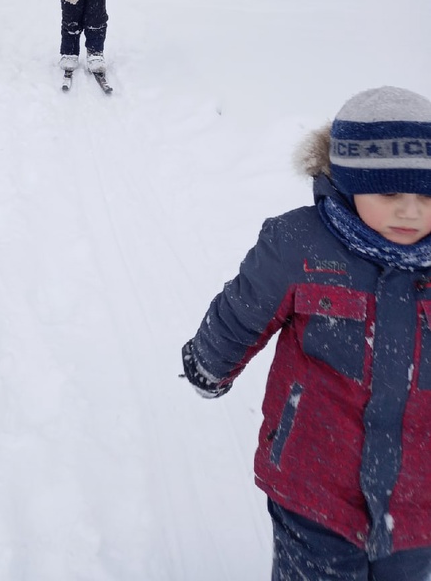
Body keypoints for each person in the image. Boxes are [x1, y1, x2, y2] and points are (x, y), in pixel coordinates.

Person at [181, 86, 431, 581]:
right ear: (348, 181)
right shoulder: (299, 243)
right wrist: (210, 362)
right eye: (389, 194)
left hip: (419, 500)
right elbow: (245, 308)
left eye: (426, 195)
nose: (411, 211)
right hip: (315, 485)